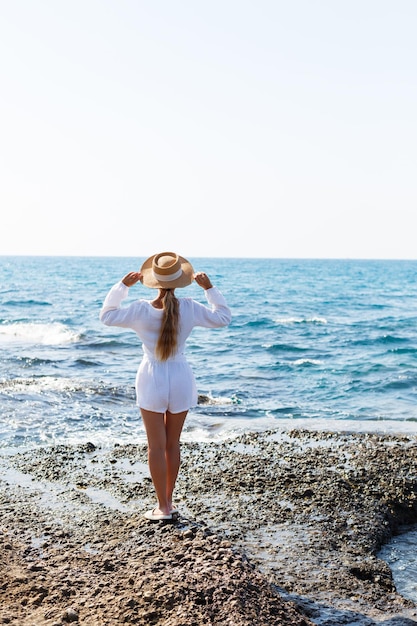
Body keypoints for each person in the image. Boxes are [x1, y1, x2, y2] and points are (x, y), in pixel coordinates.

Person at [100, 252, 231, 521]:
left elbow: (107, 316)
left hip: (151, 377)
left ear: (152, 280)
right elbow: (223, 318)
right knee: (173, 444)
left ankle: (162, 507)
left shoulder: (139, 309)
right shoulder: (191, 307)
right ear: (180, 281)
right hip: (181, 377)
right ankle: (169, 502)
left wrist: (122, 287)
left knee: (156, 446)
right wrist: (210, 289)